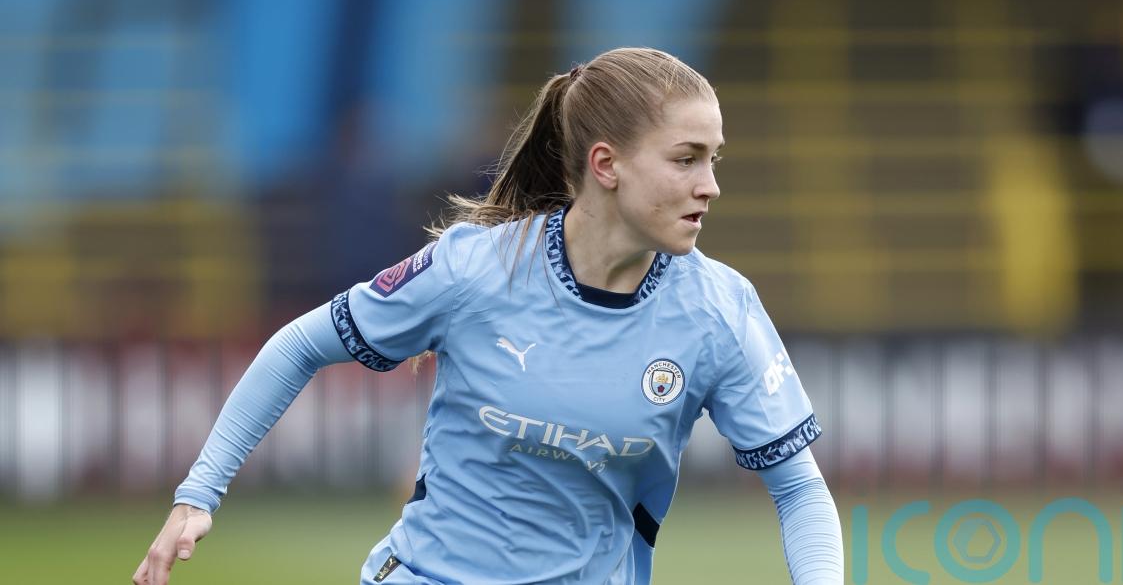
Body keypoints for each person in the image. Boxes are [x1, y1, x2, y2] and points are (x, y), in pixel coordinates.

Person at [133, 48, 844, 585]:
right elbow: (300, 346)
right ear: (606, 165)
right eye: (687, 159)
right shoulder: (477, 268)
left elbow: (800, 489)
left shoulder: (719, 309)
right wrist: (199, 495)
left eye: (714, 159)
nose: (710, 185)